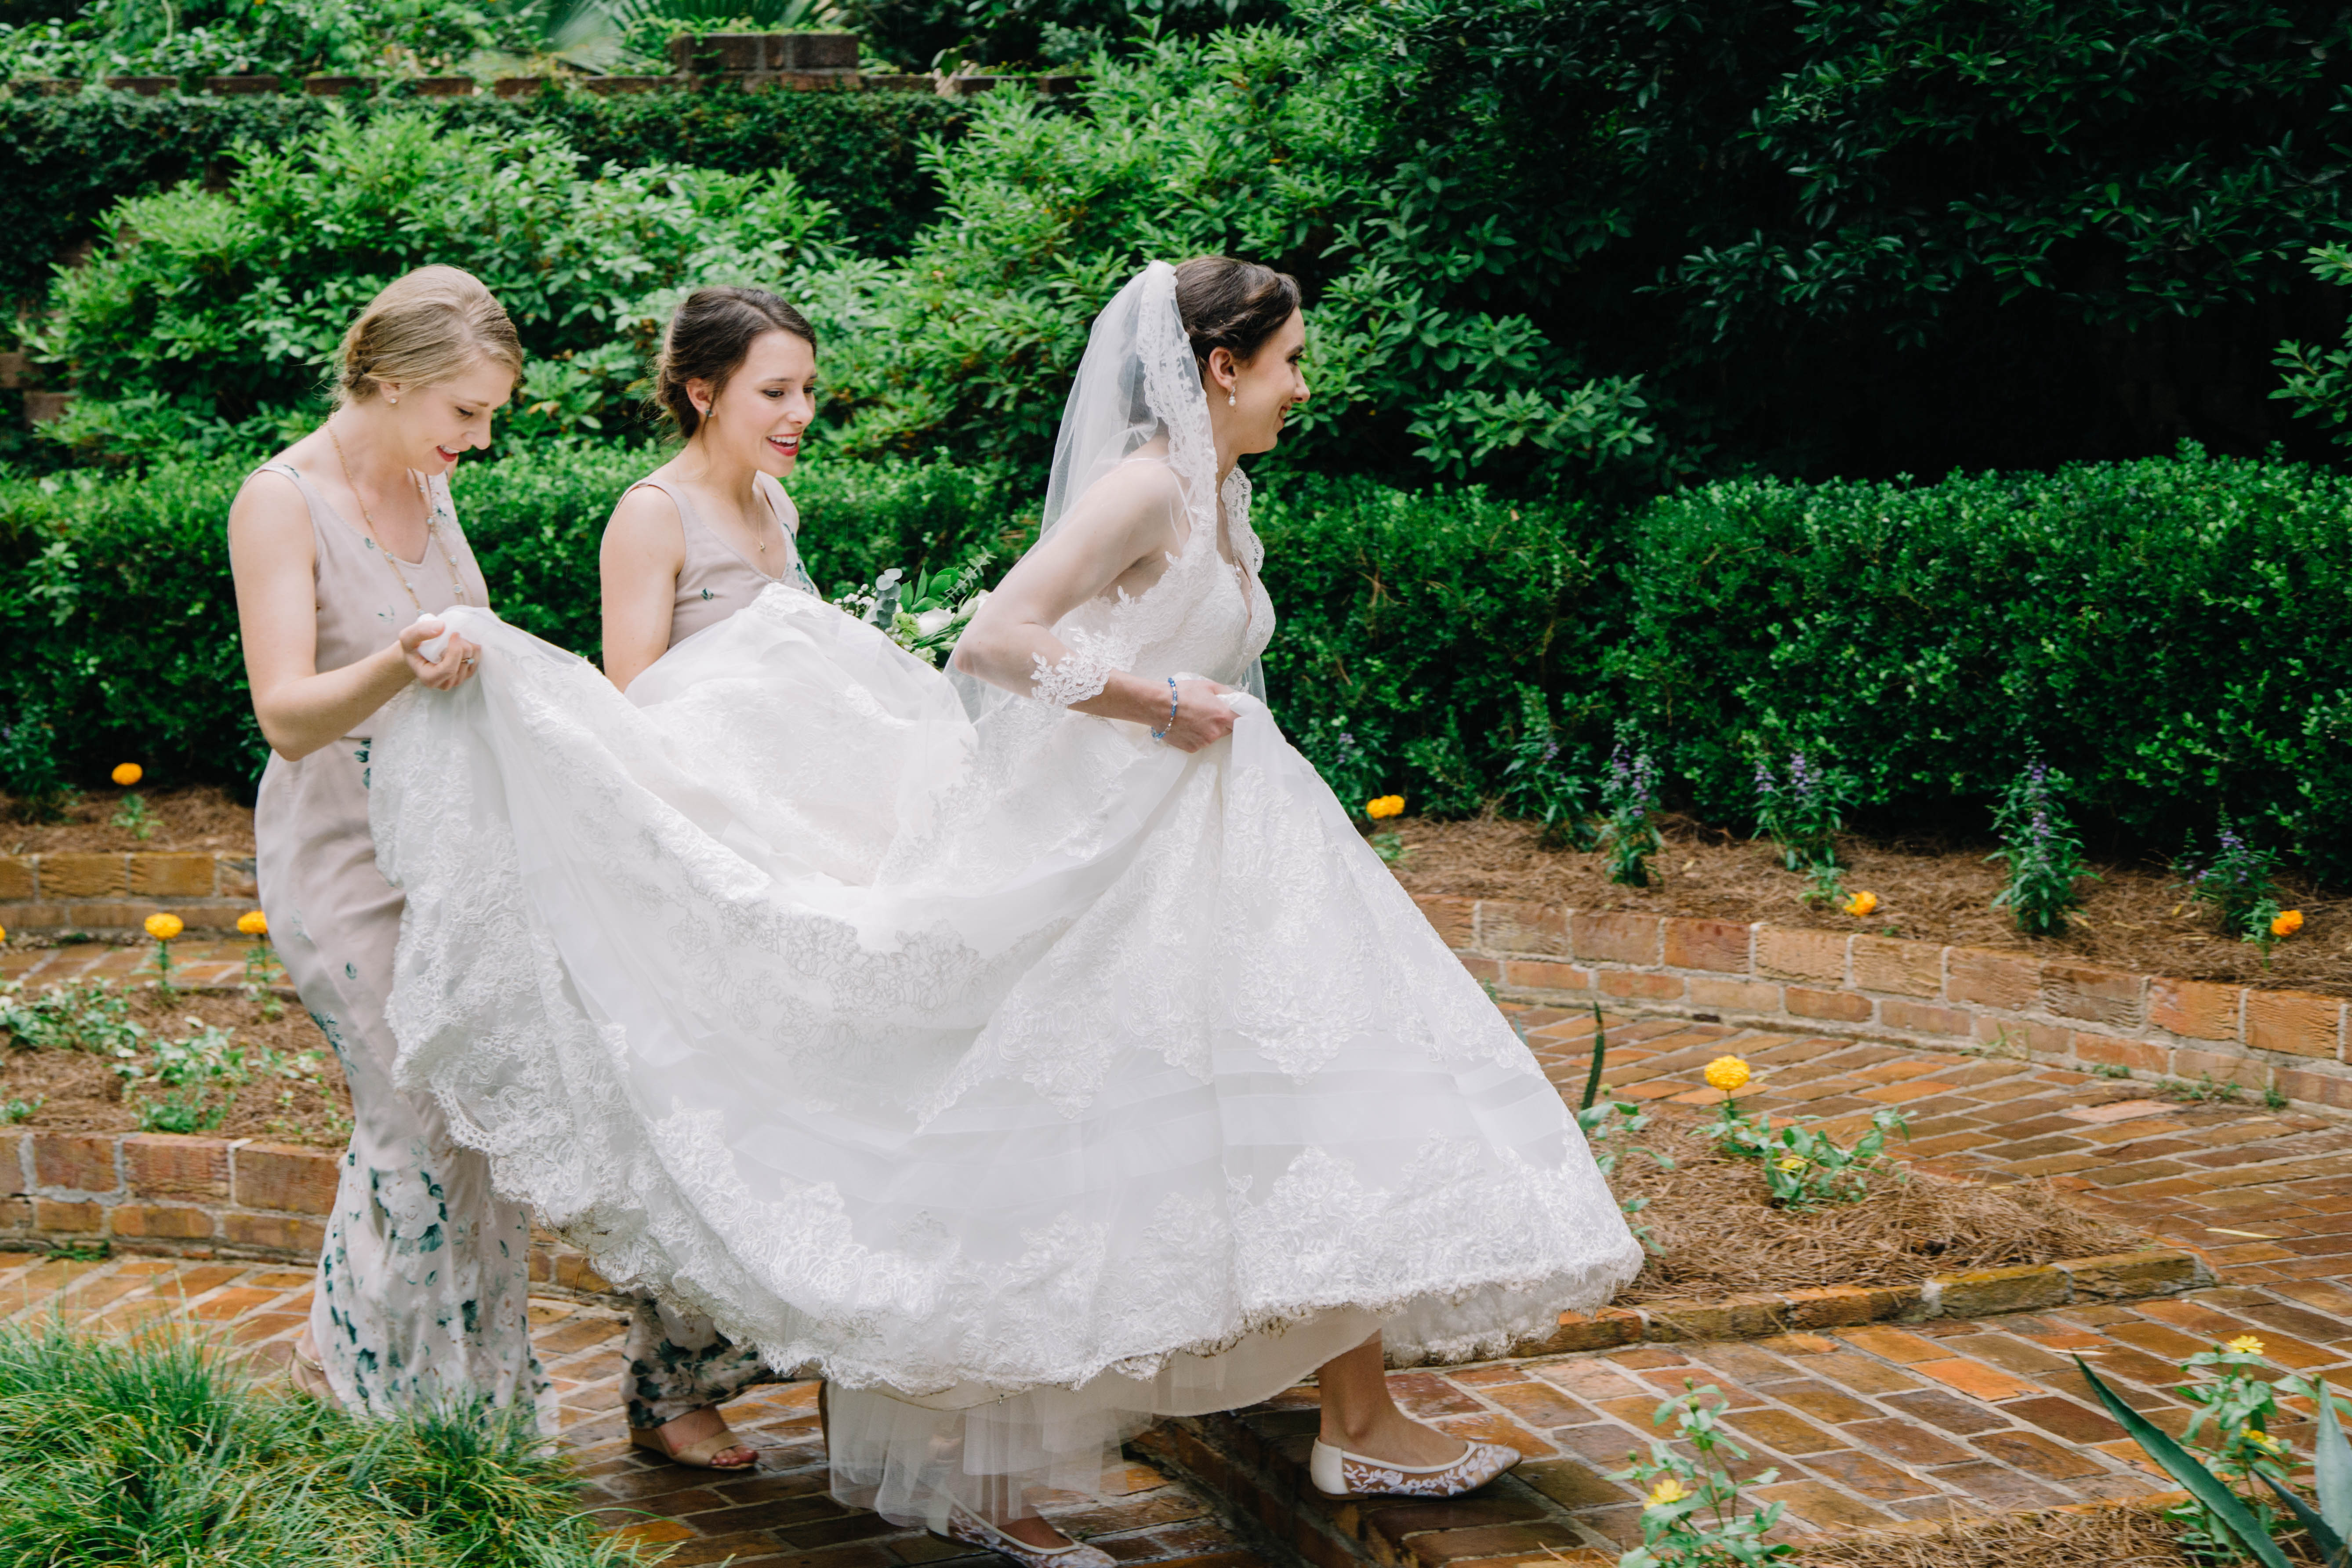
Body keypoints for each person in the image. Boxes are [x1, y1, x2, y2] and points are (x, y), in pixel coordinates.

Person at [370, 258, 1643, 1564]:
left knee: (1300, 1095)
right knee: (1039, 1133)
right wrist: (1160, 706)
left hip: (1213, 835)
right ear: (1222, 366)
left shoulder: (1214, 485)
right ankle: (980, 1453)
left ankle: (1357, 1408)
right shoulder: (1135, 484)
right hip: (1109, 828)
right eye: (1291, 362)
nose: (1305, 387)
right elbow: (932, 650)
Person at [226, 265, 546, 1420]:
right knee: (406, 1118)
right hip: (339, 853)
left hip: (451, 852)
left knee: (472, 1121)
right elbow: (285, 712)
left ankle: (466, 1400)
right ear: (393, 380)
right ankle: (353, 1388)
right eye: (467, 411)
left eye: (492, 414)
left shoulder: (432, 484)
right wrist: (398, 662)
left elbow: (468, 648)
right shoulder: (280, 498)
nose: (481, 437)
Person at [600, 286, 824, 1470]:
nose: (797, 416)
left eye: (804, 393)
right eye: (773, 393)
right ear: (703, 390)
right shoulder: (654, 515)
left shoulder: (771, 500)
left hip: (788, 844)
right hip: (699, 852)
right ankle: (665, 1391)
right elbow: (633, 699)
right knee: (704, 1116)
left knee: (787, 1109)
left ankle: (778, 1342)